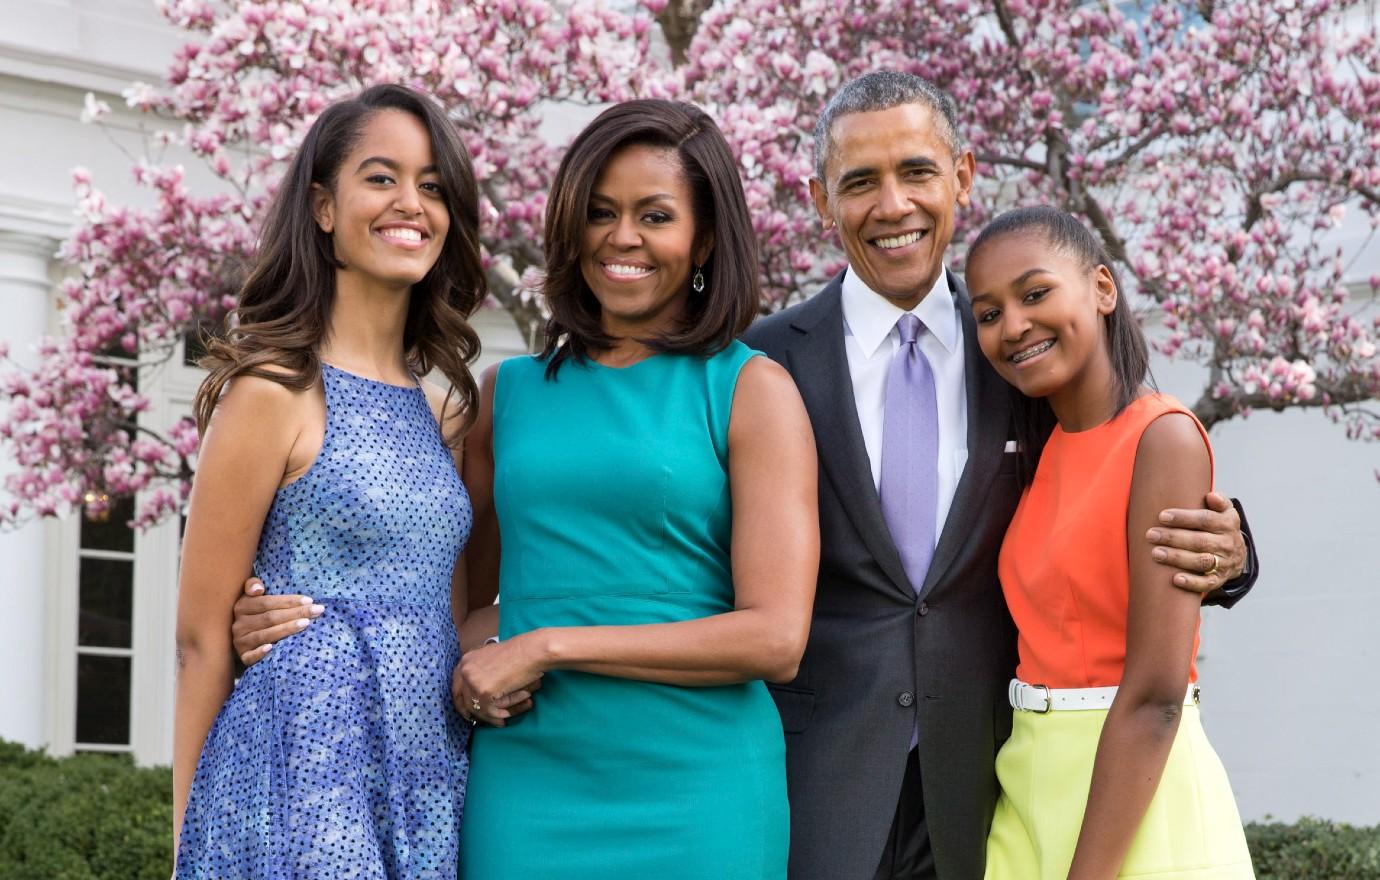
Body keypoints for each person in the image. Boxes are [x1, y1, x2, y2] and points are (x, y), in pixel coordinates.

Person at [230, 98, 819, 879]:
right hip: (526, 783)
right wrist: (304, 619)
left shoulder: (752, 389)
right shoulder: (504, 396)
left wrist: (546, 644)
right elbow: (452, 611)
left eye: (656, 215)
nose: (622, 238)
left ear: (704, 236)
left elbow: (775, 639)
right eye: (600, 212)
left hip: (701, 789)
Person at [739, 72, 1259, 880]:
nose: (894, 205)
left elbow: (1115, 467)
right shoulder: (764, 361)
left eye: (916, 171)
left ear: (963, 176)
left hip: (989, 780)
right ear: (818, 200)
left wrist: (1230, 555)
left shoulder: (1025, 356)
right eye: (860, 182)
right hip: (821, 779)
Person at [173, 84, 494, 878]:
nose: (409, 204)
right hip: (296, 776)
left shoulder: (446, 415)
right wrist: (188, 848)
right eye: (381, 178)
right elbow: (200, 637)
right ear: (323, 207)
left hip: (427, 774)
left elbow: (447, 619)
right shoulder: (272, 391)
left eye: (432, 186)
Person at [965, 206, 1253, 878]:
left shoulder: (1163, 437)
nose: (1013, 326)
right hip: (1028, 781)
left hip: (1134, 792)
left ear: (1101, 288)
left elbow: (1155, 695)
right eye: (988, 313)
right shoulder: (1039, 452)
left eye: (1035, 294)